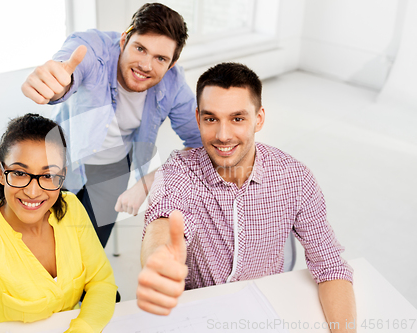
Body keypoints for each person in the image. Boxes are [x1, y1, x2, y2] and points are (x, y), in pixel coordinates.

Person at [137, 63, 356, 332]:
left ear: (259, 119)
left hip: (265, 309)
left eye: (237, 118)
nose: (223, 135)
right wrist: (160, 257)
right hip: (196, 314)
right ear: (197, 118)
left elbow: (330, 267)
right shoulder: (180, 170)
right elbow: (162, 219)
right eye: (211, 118)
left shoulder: (295, 178)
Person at [21, 3, 202, 248]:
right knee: (44, 244)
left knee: (89, 250)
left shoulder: (174, 85)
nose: (146, 65)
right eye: (140, 48)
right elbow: (69, 68)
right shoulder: (93, 49)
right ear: (124, 40)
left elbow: (202, 144)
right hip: (63, 157)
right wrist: (56, 83)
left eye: (160, 58)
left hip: (113, 166)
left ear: (172, 63)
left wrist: (149, 181)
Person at [0, 114, 117, 333]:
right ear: (1, 173)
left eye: (48, 175)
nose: (33, 191)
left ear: (62, 177)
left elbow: (102, 282)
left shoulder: (71, 208)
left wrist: (83, 329)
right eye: (19, 173)